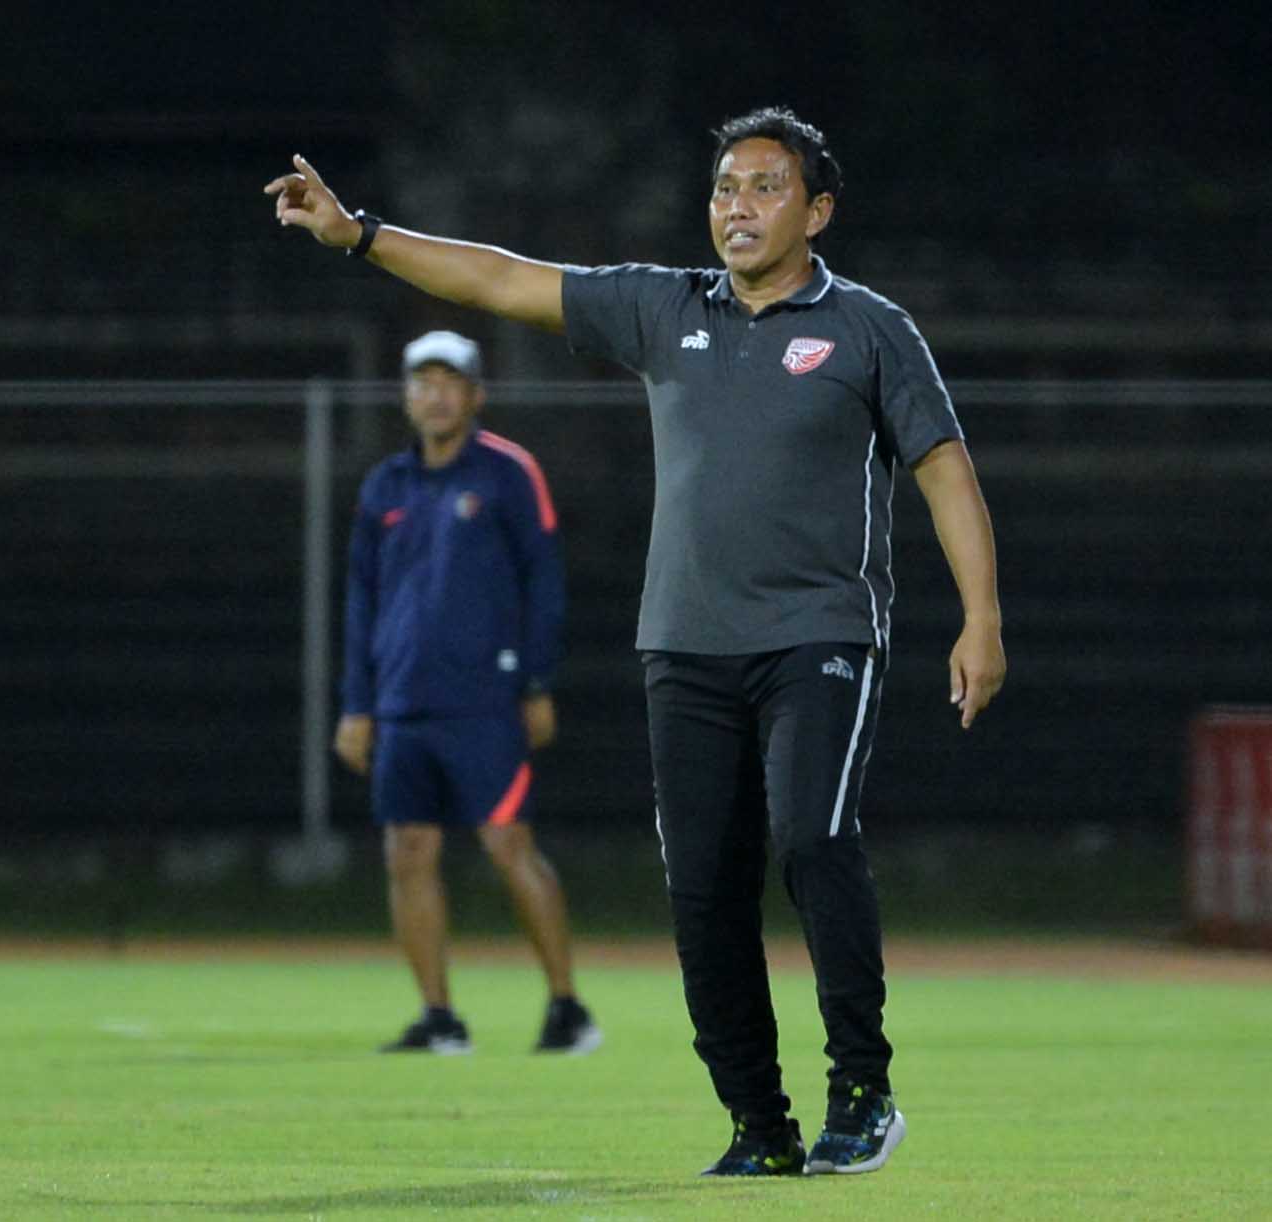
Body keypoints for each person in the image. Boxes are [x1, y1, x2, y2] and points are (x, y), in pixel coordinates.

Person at [267, 107, 1004, 1176]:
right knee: (701, 886)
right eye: (723, 187)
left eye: (763, 187)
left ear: (816, 211)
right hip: (684, 646)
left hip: (820, 634)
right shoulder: (666, 307)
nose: (737, 206)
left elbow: (943, 467)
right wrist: (360, 235)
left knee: (809, 838)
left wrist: (980, 617)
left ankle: (861, 1090)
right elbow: (500, 278)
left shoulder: (867, 327)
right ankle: (757, 1124)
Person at [336, 329, 600, 1057]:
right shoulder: (384, 485)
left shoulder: (508, 472)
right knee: (407, 851)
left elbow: (543, 582)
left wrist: (535, 681)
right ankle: (439, 1017)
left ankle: (566, 1007)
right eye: (422, 382)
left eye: (449, 382)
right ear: (405, 396)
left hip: (485, 699)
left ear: (476, 395)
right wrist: (356, 703)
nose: (435, 396)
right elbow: (361, 599)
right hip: (402, 700)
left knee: (508, 843)